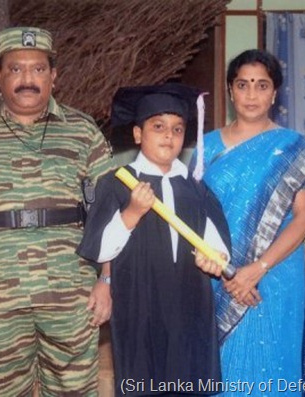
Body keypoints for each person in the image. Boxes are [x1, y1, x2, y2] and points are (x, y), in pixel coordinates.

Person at [0, 26, 115, 396]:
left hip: (71, 295)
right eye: (16, 69)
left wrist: (107, 280)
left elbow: (109, 208)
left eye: (38, 69)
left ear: (53, 76)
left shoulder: (82, 131)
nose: (27, 79)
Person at [193, 49, 305, 396]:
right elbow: (193, 217)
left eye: (261, 85)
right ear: (230, 91)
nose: (252, 94)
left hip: (275, 278)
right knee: (225, 372)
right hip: (218, 279)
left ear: (275, 93)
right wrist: (223, 270)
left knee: (275, 366)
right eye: (243, 85)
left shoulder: (295, 149)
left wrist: (257, 268)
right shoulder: (205, 148)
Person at [77, 83, 231, 396]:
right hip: (139, 302)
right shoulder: (118, 183)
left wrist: (214, 258)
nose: (168, 136)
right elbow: (101, 247)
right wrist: (132, 212)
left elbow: (217, 244)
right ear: (138, 134)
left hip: (189, 303)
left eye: (177, 129)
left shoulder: (195, 187)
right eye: (158, 127)